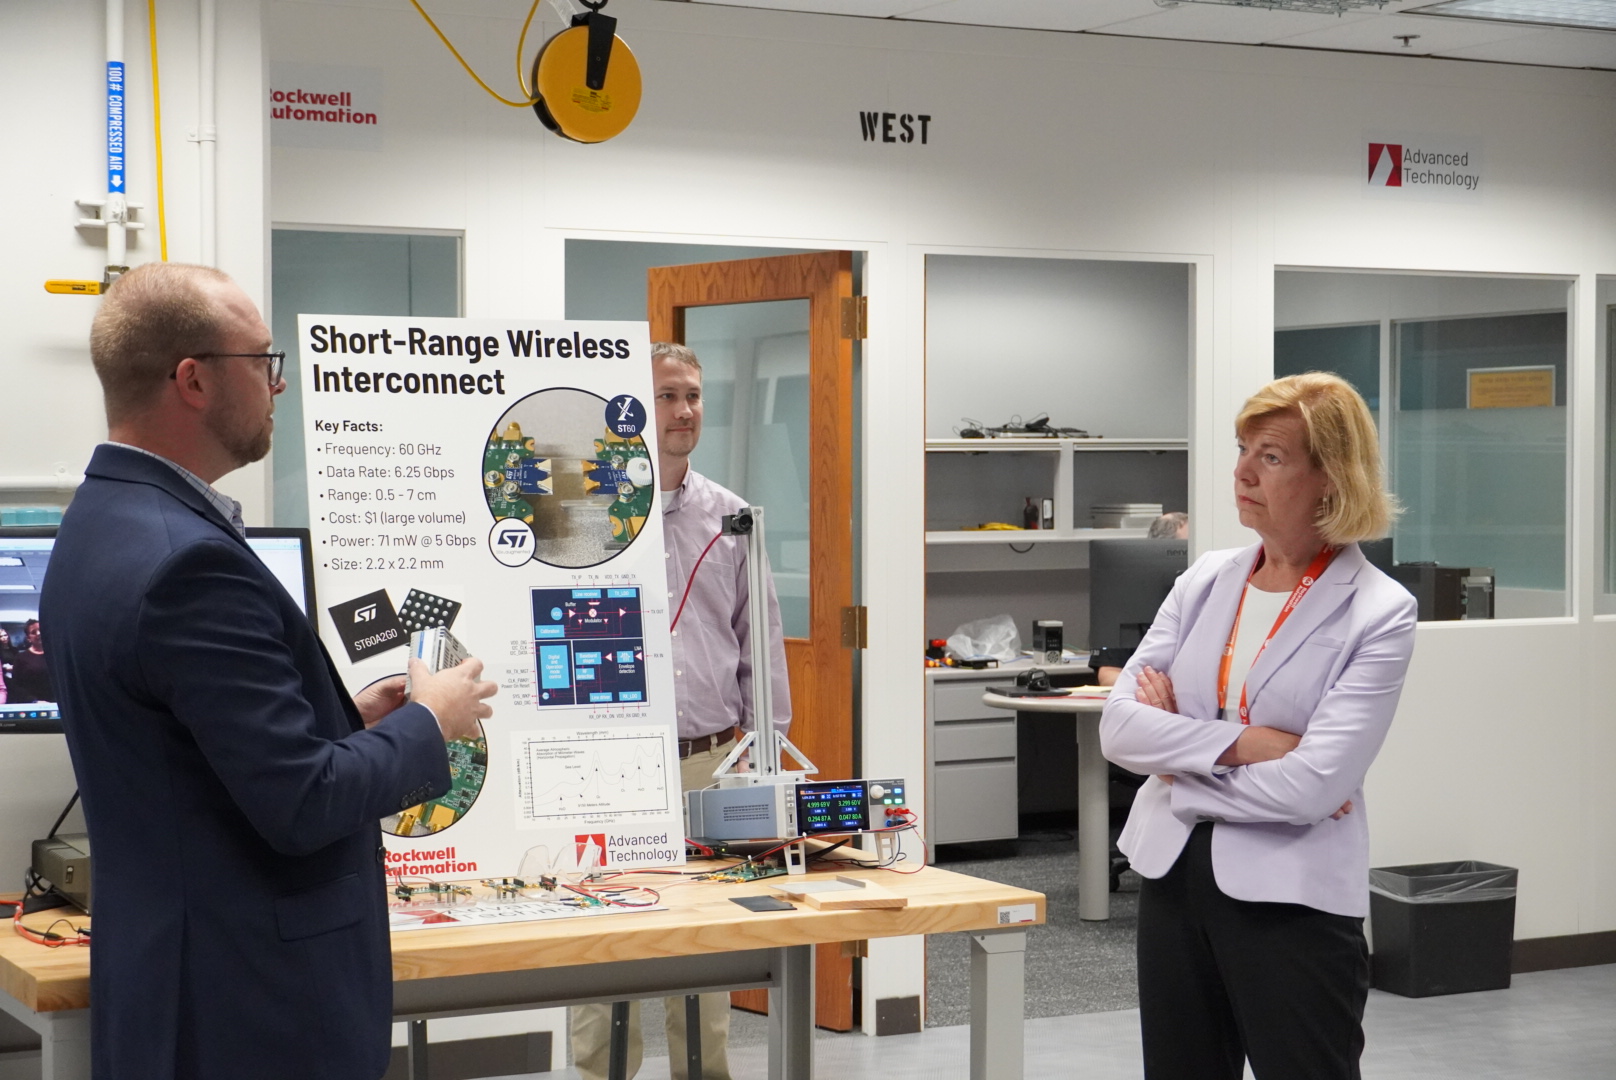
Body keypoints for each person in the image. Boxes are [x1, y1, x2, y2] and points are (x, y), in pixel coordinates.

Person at [40, 262, 498, 1080]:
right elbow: (302, 801)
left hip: (174, 975)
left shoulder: (99, 520)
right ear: (193, 380)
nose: (278, 387)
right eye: (263, 361)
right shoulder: (189, 564)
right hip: (251, 1005)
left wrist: (346, 719)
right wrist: (432, 719)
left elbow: (203, 751)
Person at [1099, 372, 1416, 1080]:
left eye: (1269, 457)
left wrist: (1177, 765)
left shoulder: (1378, 610)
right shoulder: (1204, 580)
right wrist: (1248, 745)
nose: (1241, 471)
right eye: (1241, 449)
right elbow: (1118, 730)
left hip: (1291, 900)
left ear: (1330, 477)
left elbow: (1311, 789)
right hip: (1175, 883)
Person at [570, 342, 792, 1080]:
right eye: (666, 396)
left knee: (705, 950)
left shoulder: (730, 517)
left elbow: (758, 638)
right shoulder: (586, 512)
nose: (685, 409)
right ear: (630, 411)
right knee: (606, 954)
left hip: (708, 760)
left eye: (693, 395)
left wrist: (767, 757)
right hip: (611, 765)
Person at [1094, 513, 1189, 686]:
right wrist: (1151, 690)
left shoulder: (1208, 598)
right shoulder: (1125, 601)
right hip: (1146, 703)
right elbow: (1108, 675)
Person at [5, 619, 53, 703]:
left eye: (40, 630)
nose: (38, 634)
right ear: (28, 638)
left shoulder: (54, 655)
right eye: (33, 632)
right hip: (32, 704)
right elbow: (16, 685)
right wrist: (33, 701)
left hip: (55, 704)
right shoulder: (21, 658)